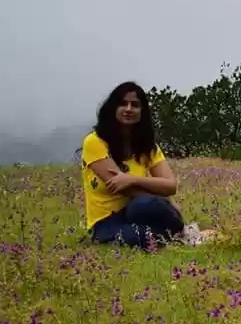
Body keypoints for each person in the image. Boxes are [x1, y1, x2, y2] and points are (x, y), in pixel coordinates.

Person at [81, 82, 205, 248]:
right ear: (113, 108)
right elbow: (121, 187)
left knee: (142, 206)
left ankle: (178, 232)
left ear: (142, 112)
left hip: (139, 212)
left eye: (135, 105)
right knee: (145, 233)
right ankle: (180, 234)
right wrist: (164, 200)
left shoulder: (148, 148)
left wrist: (132, 179)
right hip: (107, 221)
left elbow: (170, 185)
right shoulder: (95, 142)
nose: (129, 109)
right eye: (123, 103)